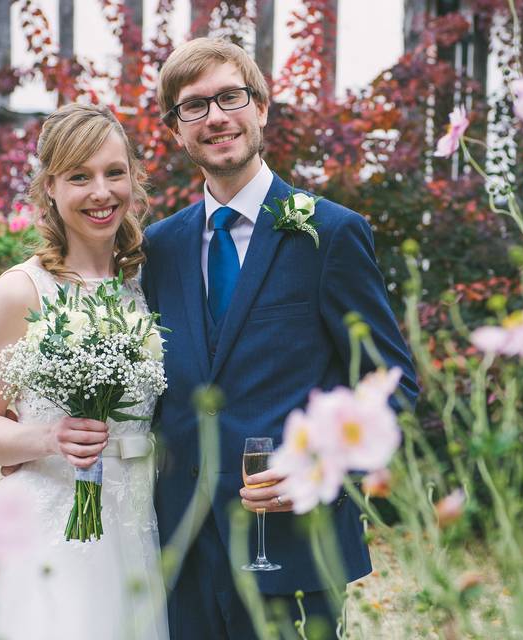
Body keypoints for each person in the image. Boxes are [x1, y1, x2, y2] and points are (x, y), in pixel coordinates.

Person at [141, 37, 418, 639]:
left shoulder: (331, 234)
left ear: (261, 107)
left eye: (230, 97)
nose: (215, 117)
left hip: (290, 543)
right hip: (182, 546)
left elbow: (390, 385)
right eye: (194, 106)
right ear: (176, 129)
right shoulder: (158, 247)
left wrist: (322, 470)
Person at [0, 103, 169, 640]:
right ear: (50, 187)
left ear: (133, 178)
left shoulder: (148, 282)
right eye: (80, 176)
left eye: (114, 172)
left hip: (136, 521)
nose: (101, 193)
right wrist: (50, 437)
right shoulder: (20, 291)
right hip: (45, 529)